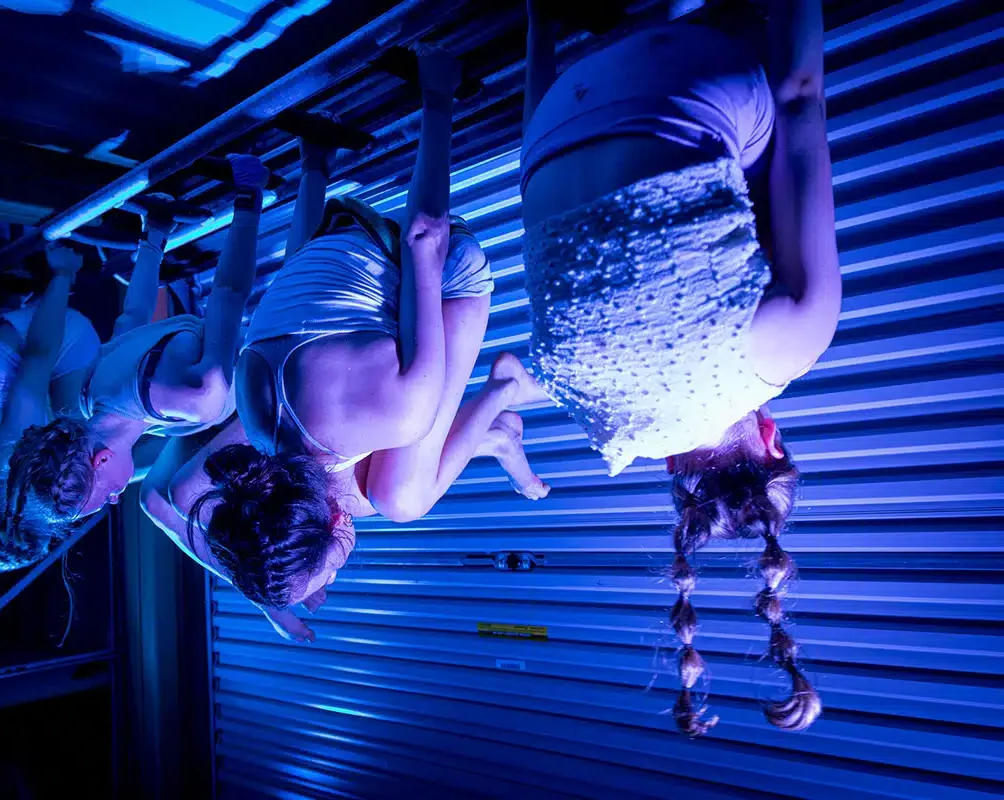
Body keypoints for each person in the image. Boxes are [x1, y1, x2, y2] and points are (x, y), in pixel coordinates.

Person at [152, 46, 549, 642]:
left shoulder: (391, 414)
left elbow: (426, 236)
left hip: (439, 266)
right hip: (334, 234)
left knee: (402, 501)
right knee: (375, 488)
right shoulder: (259, 431)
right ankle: (492, 433)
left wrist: (436, 94)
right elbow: (187, 499)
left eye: (337, 562)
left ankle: (502, 395)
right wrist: (271, 583)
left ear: (331, 523)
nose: (343, 566)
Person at [521, 0, 839, 735]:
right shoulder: (599, 424)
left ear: (774, 444)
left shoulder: (782, 358)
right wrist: (539, 27)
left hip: (682, 79)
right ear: (677, 477)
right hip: (546, 122)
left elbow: (799, 97)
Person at [0, 154, 269, 584]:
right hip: (139, 378)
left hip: (198, 365)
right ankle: (156, 225)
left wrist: (248, 195)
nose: (117, 498)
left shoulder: (197, 401)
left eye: (111, 494)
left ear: (101, 459)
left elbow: (229, 293)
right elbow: (130, 321)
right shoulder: (86, 397)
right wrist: (154, 234)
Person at [0, 245, 97, 503]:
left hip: (42, 337)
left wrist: (64, 272)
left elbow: (39, 355)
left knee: (87, 433)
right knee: (75, 450)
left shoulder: (10, 459)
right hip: (6, 335)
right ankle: (35, 296)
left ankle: (50, 288)